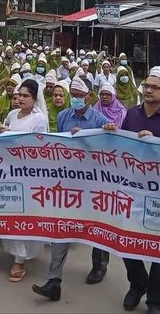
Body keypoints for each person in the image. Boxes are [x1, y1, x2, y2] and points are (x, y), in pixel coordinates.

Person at [32, 75, 114, 301]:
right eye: (74, 95)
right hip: (68, 182)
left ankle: (99, 265)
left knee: (96, 227)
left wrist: (93, 136)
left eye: (80, 96)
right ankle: (54, 280)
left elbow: (106, 153)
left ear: (89, 96)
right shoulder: (63, 116)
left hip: (93, 183)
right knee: (61, 226)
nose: (76, 99)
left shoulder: (100, 120)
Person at [120, 65, 160, 314]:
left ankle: (155, 301)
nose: (148, 90)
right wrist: (110, 134)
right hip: (132, 188)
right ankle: (138, 283)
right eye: (146, 86)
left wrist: (156, 143)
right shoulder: (131, 114)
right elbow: (121, 146)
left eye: (154, 87)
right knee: (127, 241)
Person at [0, 79, 48, 282]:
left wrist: (10, 134)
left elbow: (38, 146)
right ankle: (14, 251)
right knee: (10, 211)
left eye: (26, 96)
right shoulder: (11, 115)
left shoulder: (39, 119)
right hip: (8, 169)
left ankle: (20, 259)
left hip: (28, 172)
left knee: (23, 214)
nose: (20, 99)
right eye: (19, 95)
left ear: (35, 99)